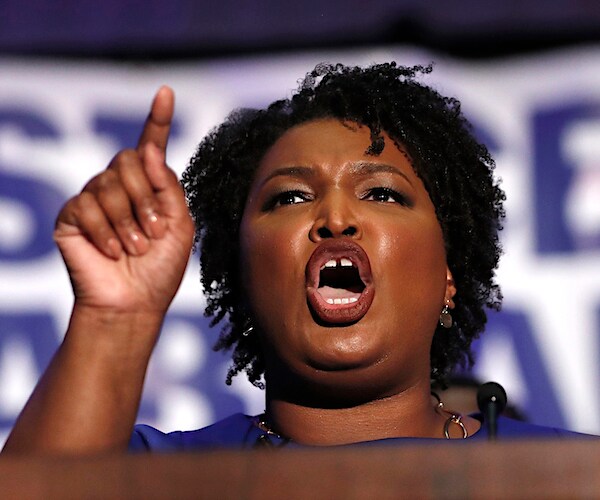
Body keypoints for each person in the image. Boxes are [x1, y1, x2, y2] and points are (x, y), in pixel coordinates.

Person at [1, 62, 587, 454]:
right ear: (244, 276)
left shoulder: (567, 474)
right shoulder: (161, 473)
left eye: (381, 193)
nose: (335, 218)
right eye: (290, 197)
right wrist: (114, 316)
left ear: (448, 278)